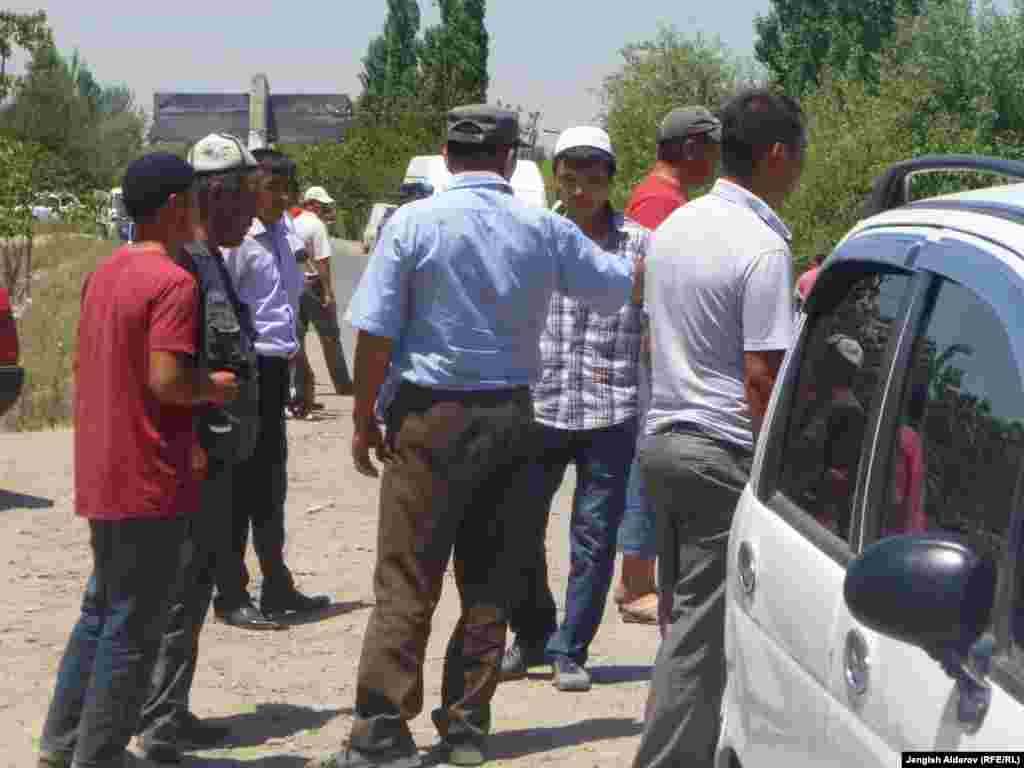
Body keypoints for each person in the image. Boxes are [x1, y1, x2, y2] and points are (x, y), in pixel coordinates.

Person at [308, 105, 635, 768]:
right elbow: (616, 288)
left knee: (407, 577)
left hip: (428, 419)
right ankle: (464, 728)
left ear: (446, 154)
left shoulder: (412, 223)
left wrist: (363, 415)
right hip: (513, 419)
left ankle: (382, 731)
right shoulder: (543, 228)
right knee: (489, 580)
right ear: (511, 158)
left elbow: (374, 332)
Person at [36, 153, 239, 768]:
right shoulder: (174, 282)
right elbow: (166, 379)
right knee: (134, 621)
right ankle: (99, 754)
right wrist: (214, 388)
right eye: (195, 199)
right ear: (176, 205)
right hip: (149, 472)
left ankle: (62, 745)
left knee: (101, 609)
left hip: (102, 464)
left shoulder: (105, 272)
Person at [634, 88, 804, 768]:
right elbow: (762, 378)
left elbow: (653, 341)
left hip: (664, 443)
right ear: (777, 154)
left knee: (685, 622)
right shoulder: (762, 247)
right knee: (700, 640)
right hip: (718, 455)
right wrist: (778, 474)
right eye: (799, 155)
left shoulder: (677, 227)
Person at [500, 126, 650, 692]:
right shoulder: (533, 237)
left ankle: (571, 648)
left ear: (611, 181)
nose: (581, 191)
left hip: (611, 410)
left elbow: (656, 326)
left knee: (593, 536)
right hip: (540, 406)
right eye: (570, 179)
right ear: (555, 179)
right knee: (519, 528)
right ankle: (532, 633)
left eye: (592, 179)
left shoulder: (642, 245)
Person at [135, 133, 265, 763]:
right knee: (179, 592)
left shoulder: (207, 258)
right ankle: (158, 726)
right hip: (191, 459)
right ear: (216, 196)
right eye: (245, 197)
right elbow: (172, 374)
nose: (254, 211)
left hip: (212, 455)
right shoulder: (182, 267)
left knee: (189, 590)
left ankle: (169, 712)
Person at [614, 106, 723, 623]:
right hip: (653, 351)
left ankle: (638, 574)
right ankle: (636, 579)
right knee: (648, 457)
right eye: (712, 149)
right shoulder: (660, 201)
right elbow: (650, 282)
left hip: (656, 349)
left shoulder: (665, 197)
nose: (716, 162)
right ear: (691, 147)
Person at [218, 149, 330, 628]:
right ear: (250, 187)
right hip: (245, 370)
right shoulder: (236, 240)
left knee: (270, 483)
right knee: (238, 484)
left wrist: (301, 366)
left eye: (288, 188)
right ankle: (231, 593)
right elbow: (220, 311)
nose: (282, 197)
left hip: (276, 367)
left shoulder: (285, 234)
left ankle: (277, 583)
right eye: (272, 187)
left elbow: (285, 308)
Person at [289, 184, 353, 416]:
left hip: (293, 286)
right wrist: (327, 291)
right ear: (313, 205)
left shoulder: (290, 222)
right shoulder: (315, 225)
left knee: (297, 338)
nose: (326, 210)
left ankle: (301, 389)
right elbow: (322, 260)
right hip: (313, 285)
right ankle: (343, 385)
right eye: (324, 206)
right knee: (330, 336)